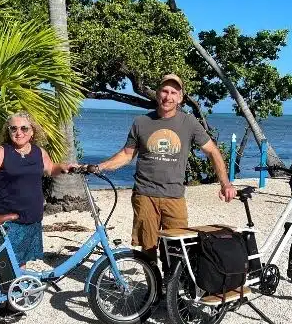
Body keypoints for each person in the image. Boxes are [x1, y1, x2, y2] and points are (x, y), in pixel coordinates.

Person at [88, 74, 237, 274]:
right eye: (165, 91)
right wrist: (100, 167)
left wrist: (225, 183)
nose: (168, 96)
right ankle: (154, 292)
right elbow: (126, 154)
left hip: (174, 196)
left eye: (174, 92)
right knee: (148, 249)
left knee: (178, 248)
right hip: (144, 195)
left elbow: (212, 151)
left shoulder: (189, 123)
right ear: (158, 94)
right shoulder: (141, 122)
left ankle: (173, 293)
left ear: (181, 97)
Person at [0, 111, 72, 268]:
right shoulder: (2, 152)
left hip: (31, 219)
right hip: (8, 221)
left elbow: (51, 169)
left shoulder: (39, 152)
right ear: (8, 131)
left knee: (20, 264)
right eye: (14, 128)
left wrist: (64, 167)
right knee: (7, 266)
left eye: (24, 128)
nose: (19, 133)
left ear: (32, 131)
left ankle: (13, 292)